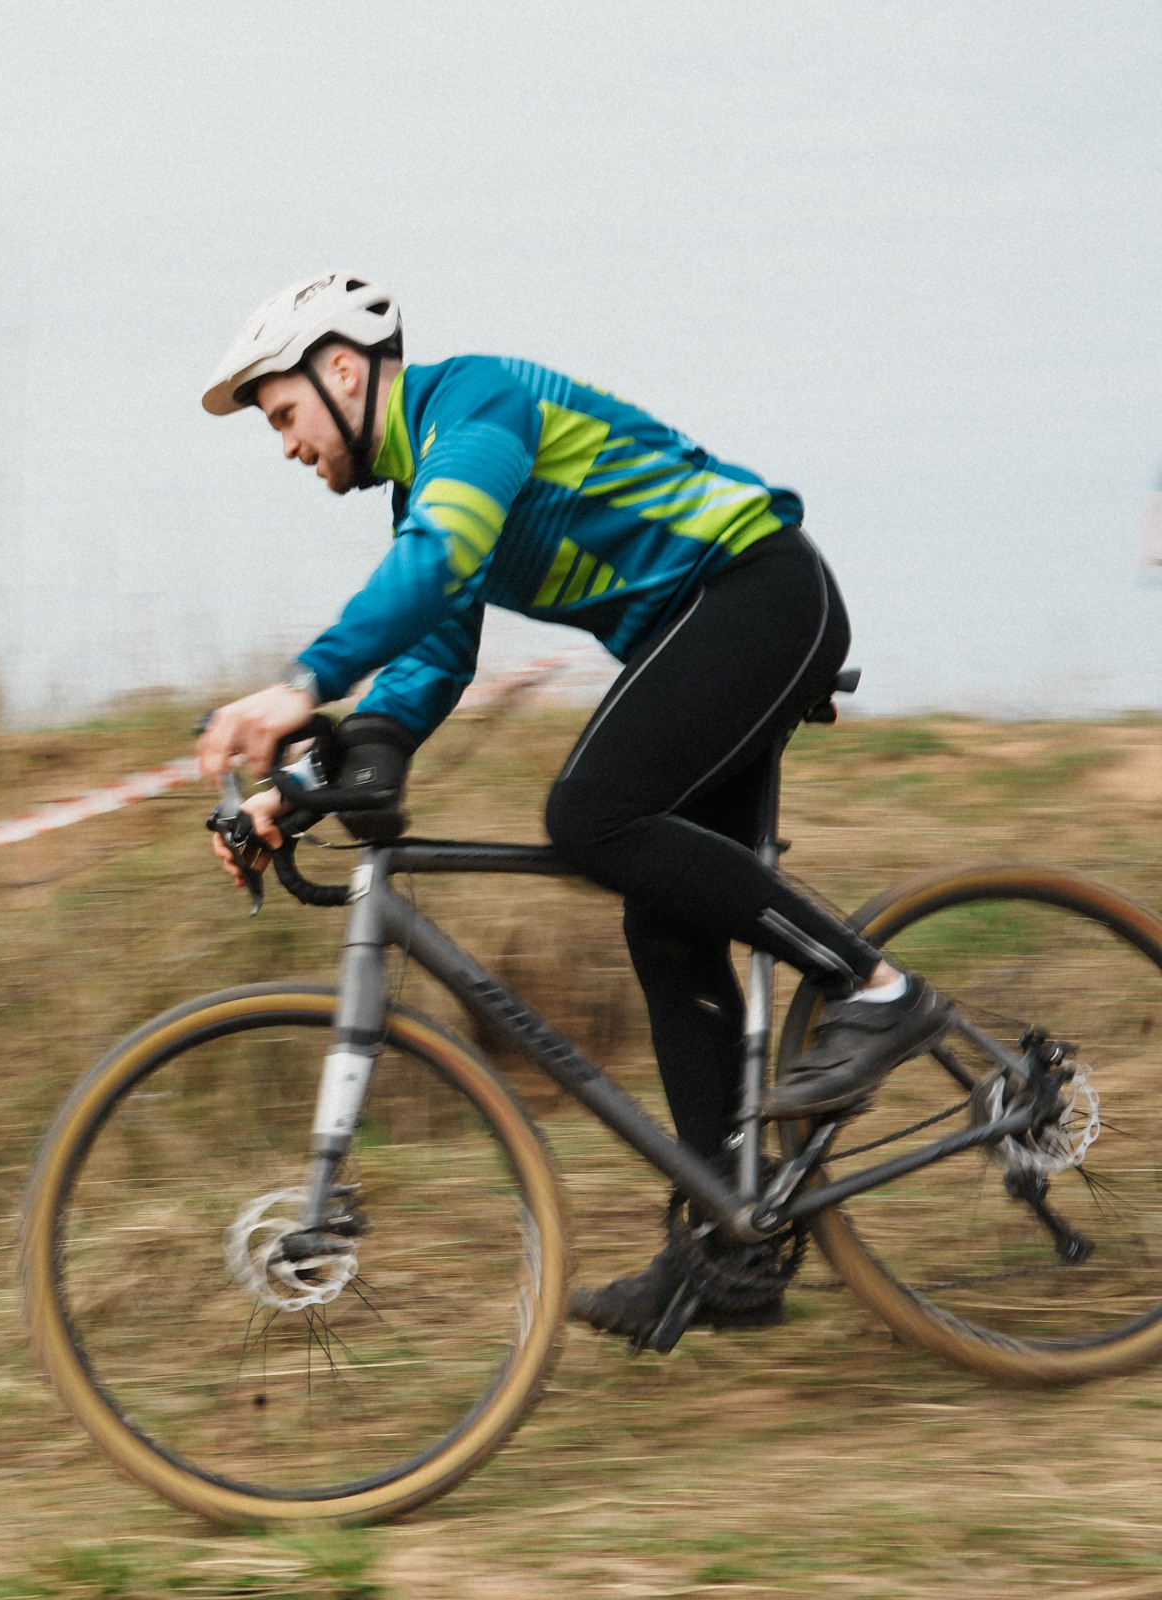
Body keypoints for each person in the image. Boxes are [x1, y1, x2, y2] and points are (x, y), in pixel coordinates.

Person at [192, 271, 949, 1343]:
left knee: (590, 813)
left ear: (345, 370)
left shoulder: (478, 407)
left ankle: (875, 990)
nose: (285, 445)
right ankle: (735, 1247)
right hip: (706, 631)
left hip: (757, 590)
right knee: (665, 922)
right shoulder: (428, 487)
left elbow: (442, 558)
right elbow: (424, 672)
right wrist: (295, 789)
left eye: (284, 416)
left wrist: (301, 682)